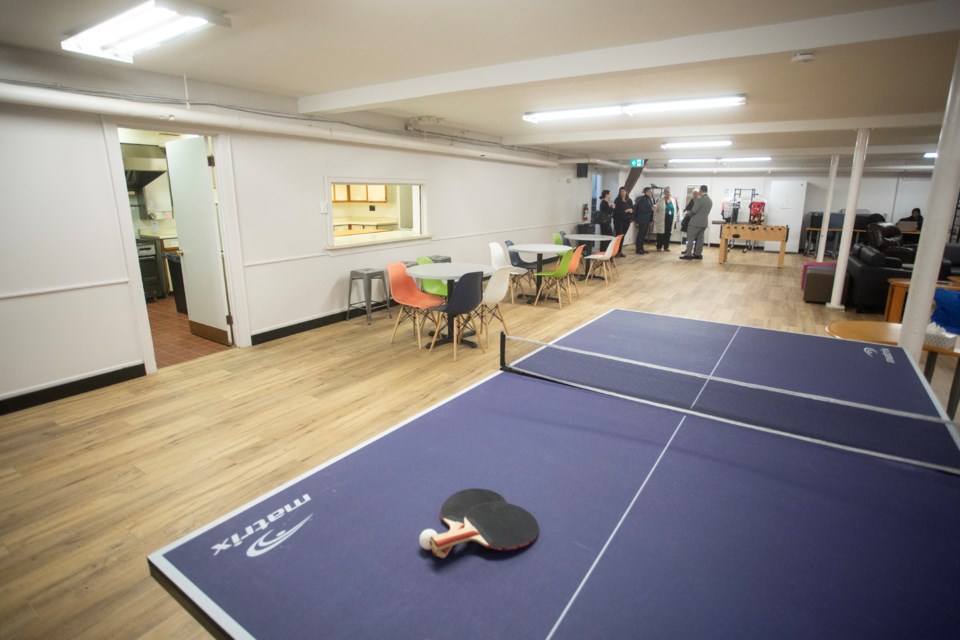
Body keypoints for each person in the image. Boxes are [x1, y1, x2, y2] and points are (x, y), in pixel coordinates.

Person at [680, 185, 712, 260]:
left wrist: (688, 213)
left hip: (695, 223)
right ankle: (698, 254)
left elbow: (694, 211)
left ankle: (688, 254)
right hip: (704, 223)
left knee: (690, 238)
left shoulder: (700, 199)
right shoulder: (710, 200)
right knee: (700, 239)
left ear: (701, 191)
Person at [653, 187, 678, 251]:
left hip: (670, 219)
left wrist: (675, 220)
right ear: (664, 193)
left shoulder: (673, 200)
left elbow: (676, 210)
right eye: (667, 193)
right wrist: (656, 219)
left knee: (668, 233)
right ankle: (659, 247)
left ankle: (666, 247)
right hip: (662, 219)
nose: (668, 194)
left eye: (669, 192)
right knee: (660, 233)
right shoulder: (660, 200)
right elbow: (655, 210)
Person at [633, 187, 655, 254]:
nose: (651, 193)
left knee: (643, 234)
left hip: (647, 219)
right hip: (642, 219)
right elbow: (641, 210)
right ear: (646, 192)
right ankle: (638, 249)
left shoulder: (649, 199)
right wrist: (651, 209)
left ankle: (641, 248)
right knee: (640, 234)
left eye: (651, 192)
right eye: (650, 192)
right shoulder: (642, 199)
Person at [613, 186, 633, 257]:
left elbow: (632, 208)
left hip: (627, 220)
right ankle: (615, 251)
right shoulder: (617, 200)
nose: (623, 193)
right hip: (619, 220)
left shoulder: (629, 200)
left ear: (626, 192)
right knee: (619, 235)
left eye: (624, 191)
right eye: (621, 191)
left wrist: (631, 210)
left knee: (623, 236)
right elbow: (615, 211)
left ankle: (620, 251)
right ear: (619, 192)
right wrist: (625, 211)